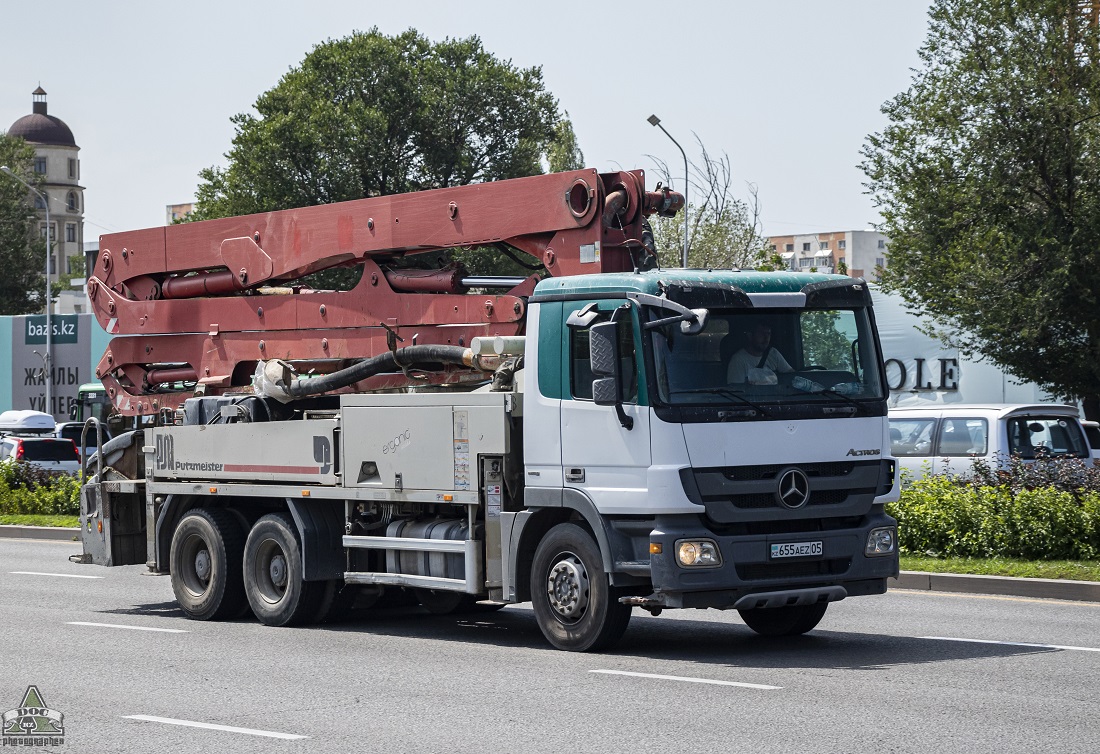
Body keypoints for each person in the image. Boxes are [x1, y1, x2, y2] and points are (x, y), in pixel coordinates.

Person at [727, 323, 793, 384]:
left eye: (768, 334)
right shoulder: (738, 360)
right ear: (750, 336)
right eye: (761, 334)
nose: (766, 338)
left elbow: (791, 375)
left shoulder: (773, 353)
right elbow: (736, 391)